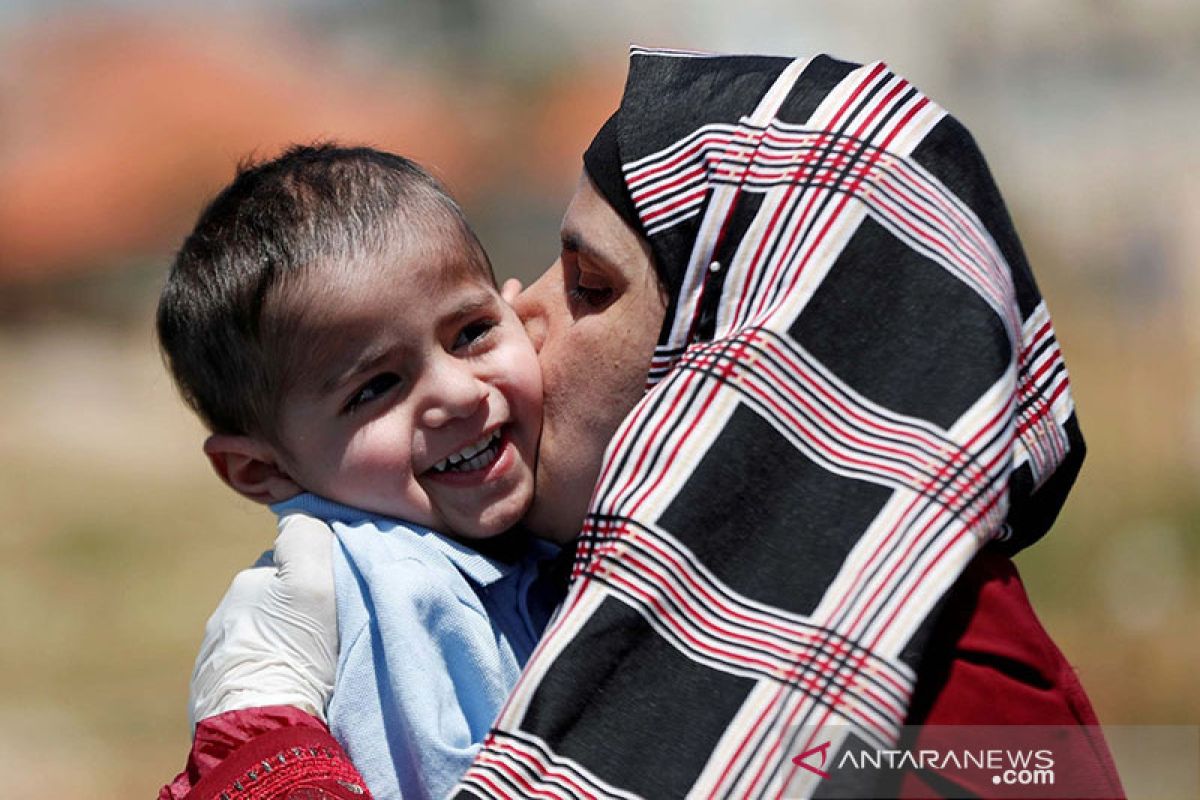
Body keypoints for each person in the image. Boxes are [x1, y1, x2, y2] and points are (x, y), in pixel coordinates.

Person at [162, 49, 1122, 799]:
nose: (524, 316)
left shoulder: (950, 692)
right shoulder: (395, 595)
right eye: (374, 386)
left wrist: (267, 757)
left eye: (587, 284)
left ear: (732, 347)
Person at [156, 144, 561, 800]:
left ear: (521, 313)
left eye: (471, 333)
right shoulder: (335, 596)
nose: (458, 394)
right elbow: (252, 764)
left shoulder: (578, 502)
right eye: (375, 388)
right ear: (261, 470)